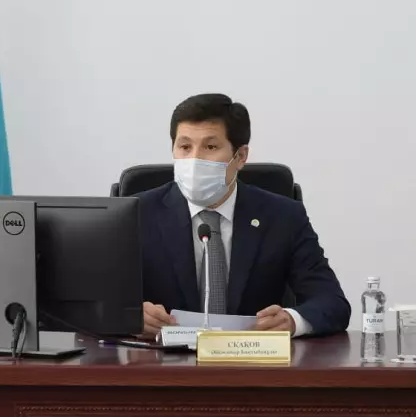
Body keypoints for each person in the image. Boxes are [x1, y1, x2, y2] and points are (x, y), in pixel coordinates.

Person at [138, 93, 349, 339]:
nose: (194, 160)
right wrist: (129, 316)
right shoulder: (138, 214)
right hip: (163, 360)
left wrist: (292, 321)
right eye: (185, 147)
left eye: (210, 147)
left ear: (240, 157)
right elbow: (102, 302)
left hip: (252, 358)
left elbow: (332, 303)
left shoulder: (283, 217)